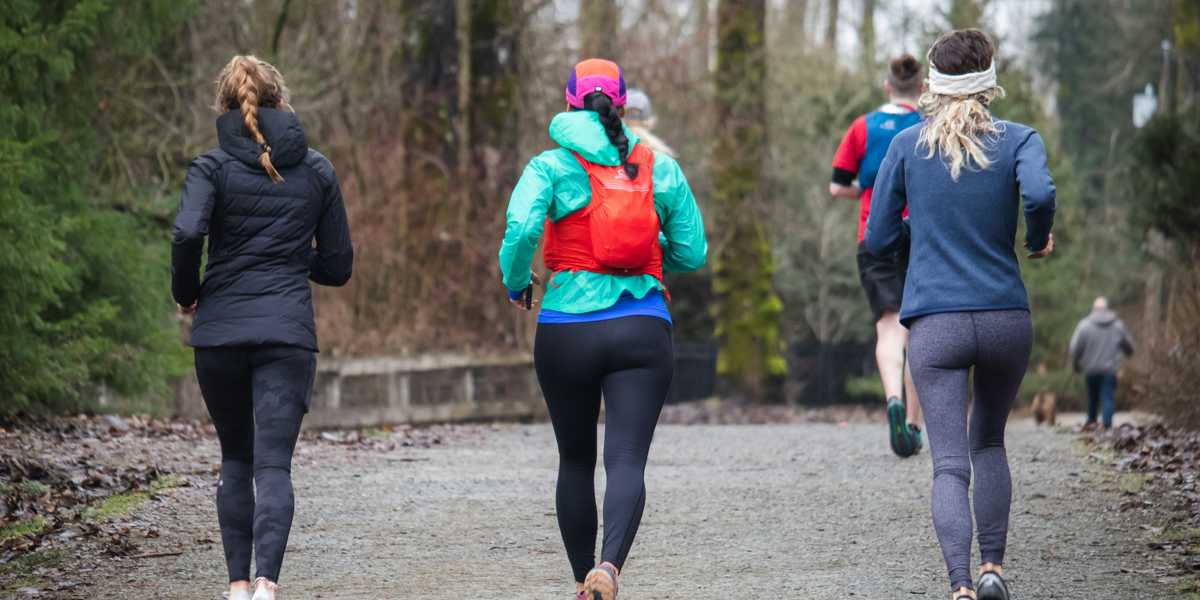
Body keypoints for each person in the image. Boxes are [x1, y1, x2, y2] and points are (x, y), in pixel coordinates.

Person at [497, 58, 706, 600]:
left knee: (574, 458)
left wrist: (517, 281)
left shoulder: (549, 166)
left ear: (568, 104)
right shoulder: (658, 166)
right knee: (627, 459)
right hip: (641, 325)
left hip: (566, 328)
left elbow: (521, 228)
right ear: (622, 105)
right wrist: (647, 260)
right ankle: (609, 569)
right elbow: (693, 250)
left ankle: (577, 579)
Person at [865, 29, 1055, 600]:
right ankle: (993, 566)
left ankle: (960, 586)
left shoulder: (906, 146)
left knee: (949, 464)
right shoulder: (1020, 139)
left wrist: (919, 236)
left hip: (936, 324)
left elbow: (876, 238)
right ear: (989, 82)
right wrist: (1037, 237)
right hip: (1004, 318)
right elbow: (1040, 196)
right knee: (990, 443)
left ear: (933, 85)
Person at [171, 55, 353, 600]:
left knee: (235, 457)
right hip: (286, 335)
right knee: (274, 464)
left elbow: (185, 235)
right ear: (281, 101)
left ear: (225, 106)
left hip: (220, 334)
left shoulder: (210, 167)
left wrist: (188, 292)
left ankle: (235, 586)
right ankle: (268, 588)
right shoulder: (316, 169)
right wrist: (294, 261)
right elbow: (338, 266)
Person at [830, 54, 927, 457]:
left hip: (874, 233)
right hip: (921, 235)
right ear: (920, 89)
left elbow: (837, 186)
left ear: (887, 85)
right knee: (921, 330)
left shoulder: (862, 127)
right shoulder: (927, 127)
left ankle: (892, 400)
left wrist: (868, 192)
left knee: (888, 327)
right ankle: (914, 426)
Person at [1069, 296, 1135, 430]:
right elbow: (1129, 346)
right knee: (1107, 397)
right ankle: (1107, 426)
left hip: (1090, 369)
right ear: (1107, 309)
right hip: (1110, 370)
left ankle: (1092, 423)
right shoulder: (1117, 325)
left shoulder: (1084, 325)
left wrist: (1076, 365)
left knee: (1092, 397)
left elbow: (1075, 348)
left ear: (1094, 309)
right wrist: (1128, 353)